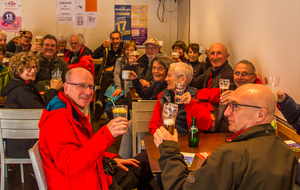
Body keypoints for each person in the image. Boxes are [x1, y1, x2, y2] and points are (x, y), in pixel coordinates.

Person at [154, 84, 297, 190]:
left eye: (235, 106)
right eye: (228, 105)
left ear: (260, 115)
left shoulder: (231, 155)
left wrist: (169, 149)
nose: (227, 112)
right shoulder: (286, 152)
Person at [39, 68, 152, 190]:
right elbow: (71, 165)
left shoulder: (72, 111)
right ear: (66, 88)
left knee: (144, 163)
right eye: (81, 86)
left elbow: (82, 147)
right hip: (84, 183)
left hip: (94, 173)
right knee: (148, 163)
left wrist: (108, 159)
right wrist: (107, 134)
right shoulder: (58, 121)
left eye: (91, 87)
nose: (88, 92)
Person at [0, 52, 62, 171]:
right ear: (18, 70)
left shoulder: (19, 86)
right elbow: (42, 113)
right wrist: (53, 90)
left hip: (17, 141)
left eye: (34, 67)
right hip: (24, 146)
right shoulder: (21, 90)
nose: (33, 70)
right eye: (28, 68)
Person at [118, 54, 171, 159]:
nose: (156, 71)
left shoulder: (166, 87)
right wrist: (135, 79)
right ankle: (125, 158)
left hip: (157, 122)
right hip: (150, 116)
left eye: (160, 69)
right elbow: (145, 94)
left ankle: (124, 159)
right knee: (129, 123)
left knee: (129, 125)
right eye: (154, 68)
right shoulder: (157, 83)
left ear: (167, 71)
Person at [149, 62, 214, 135]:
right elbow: (153, 125)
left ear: (182, 79)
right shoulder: (163, 97)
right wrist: (160, 139)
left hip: (189, 142)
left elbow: (206, 126)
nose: (166, 79)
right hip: (167, 141)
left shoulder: (199, 96)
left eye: (169, 75)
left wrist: (191, 104)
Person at [93, 31, 123, 105]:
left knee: (107, 74)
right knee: (106, 74)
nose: (115, 41)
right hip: (107, 74)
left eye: (117, 39)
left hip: (120, 73)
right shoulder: (107, 49)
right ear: (110, 40)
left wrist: (113, 67)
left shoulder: (124, 49)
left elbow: (127, 62)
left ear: (121, 39)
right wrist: (102, 46)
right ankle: (104, 104)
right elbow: (94, 55)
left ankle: (100, 99)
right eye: (113, 39)